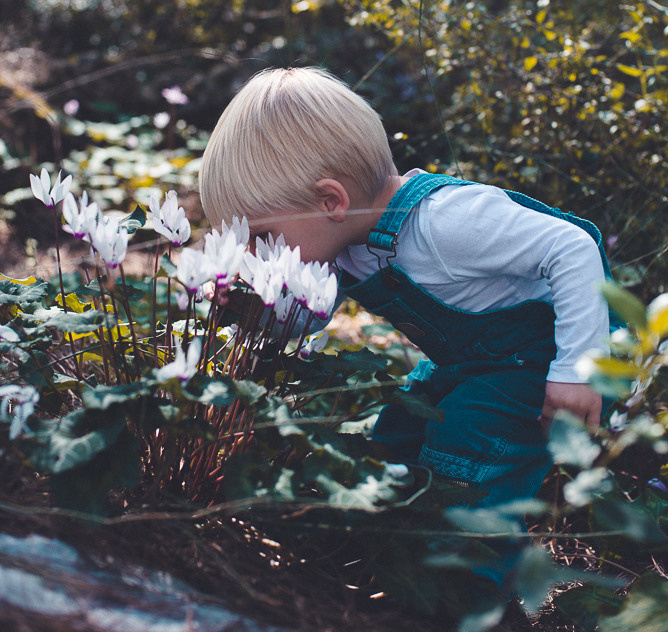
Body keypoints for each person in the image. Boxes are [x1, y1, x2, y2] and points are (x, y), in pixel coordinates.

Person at [199, 66, 610, 507]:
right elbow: (306, 320)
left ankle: (473, 561)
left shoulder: (444, 221)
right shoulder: (341, 245)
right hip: (466, 364)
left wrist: (578, 372)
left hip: (539, 360)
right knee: (395, 431)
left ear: (331, 201)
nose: (255, 254)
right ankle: (398, 536)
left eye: (261, 236)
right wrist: (255, 311)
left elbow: (572, 248)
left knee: (466, 442)